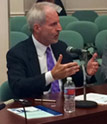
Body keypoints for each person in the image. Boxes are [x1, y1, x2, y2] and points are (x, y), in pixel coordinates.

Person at [7, 2, 99, 98]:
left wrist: (87, 72)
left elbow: (73, 79)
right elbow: (18, 87)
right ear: (37, 28)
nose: (59, 28)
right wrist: (51, 76)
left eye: (58, 23)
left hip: (64, 104)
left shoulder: (60, 47)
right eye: (53, 24)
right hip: (36, 107)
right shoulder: (18, 53)